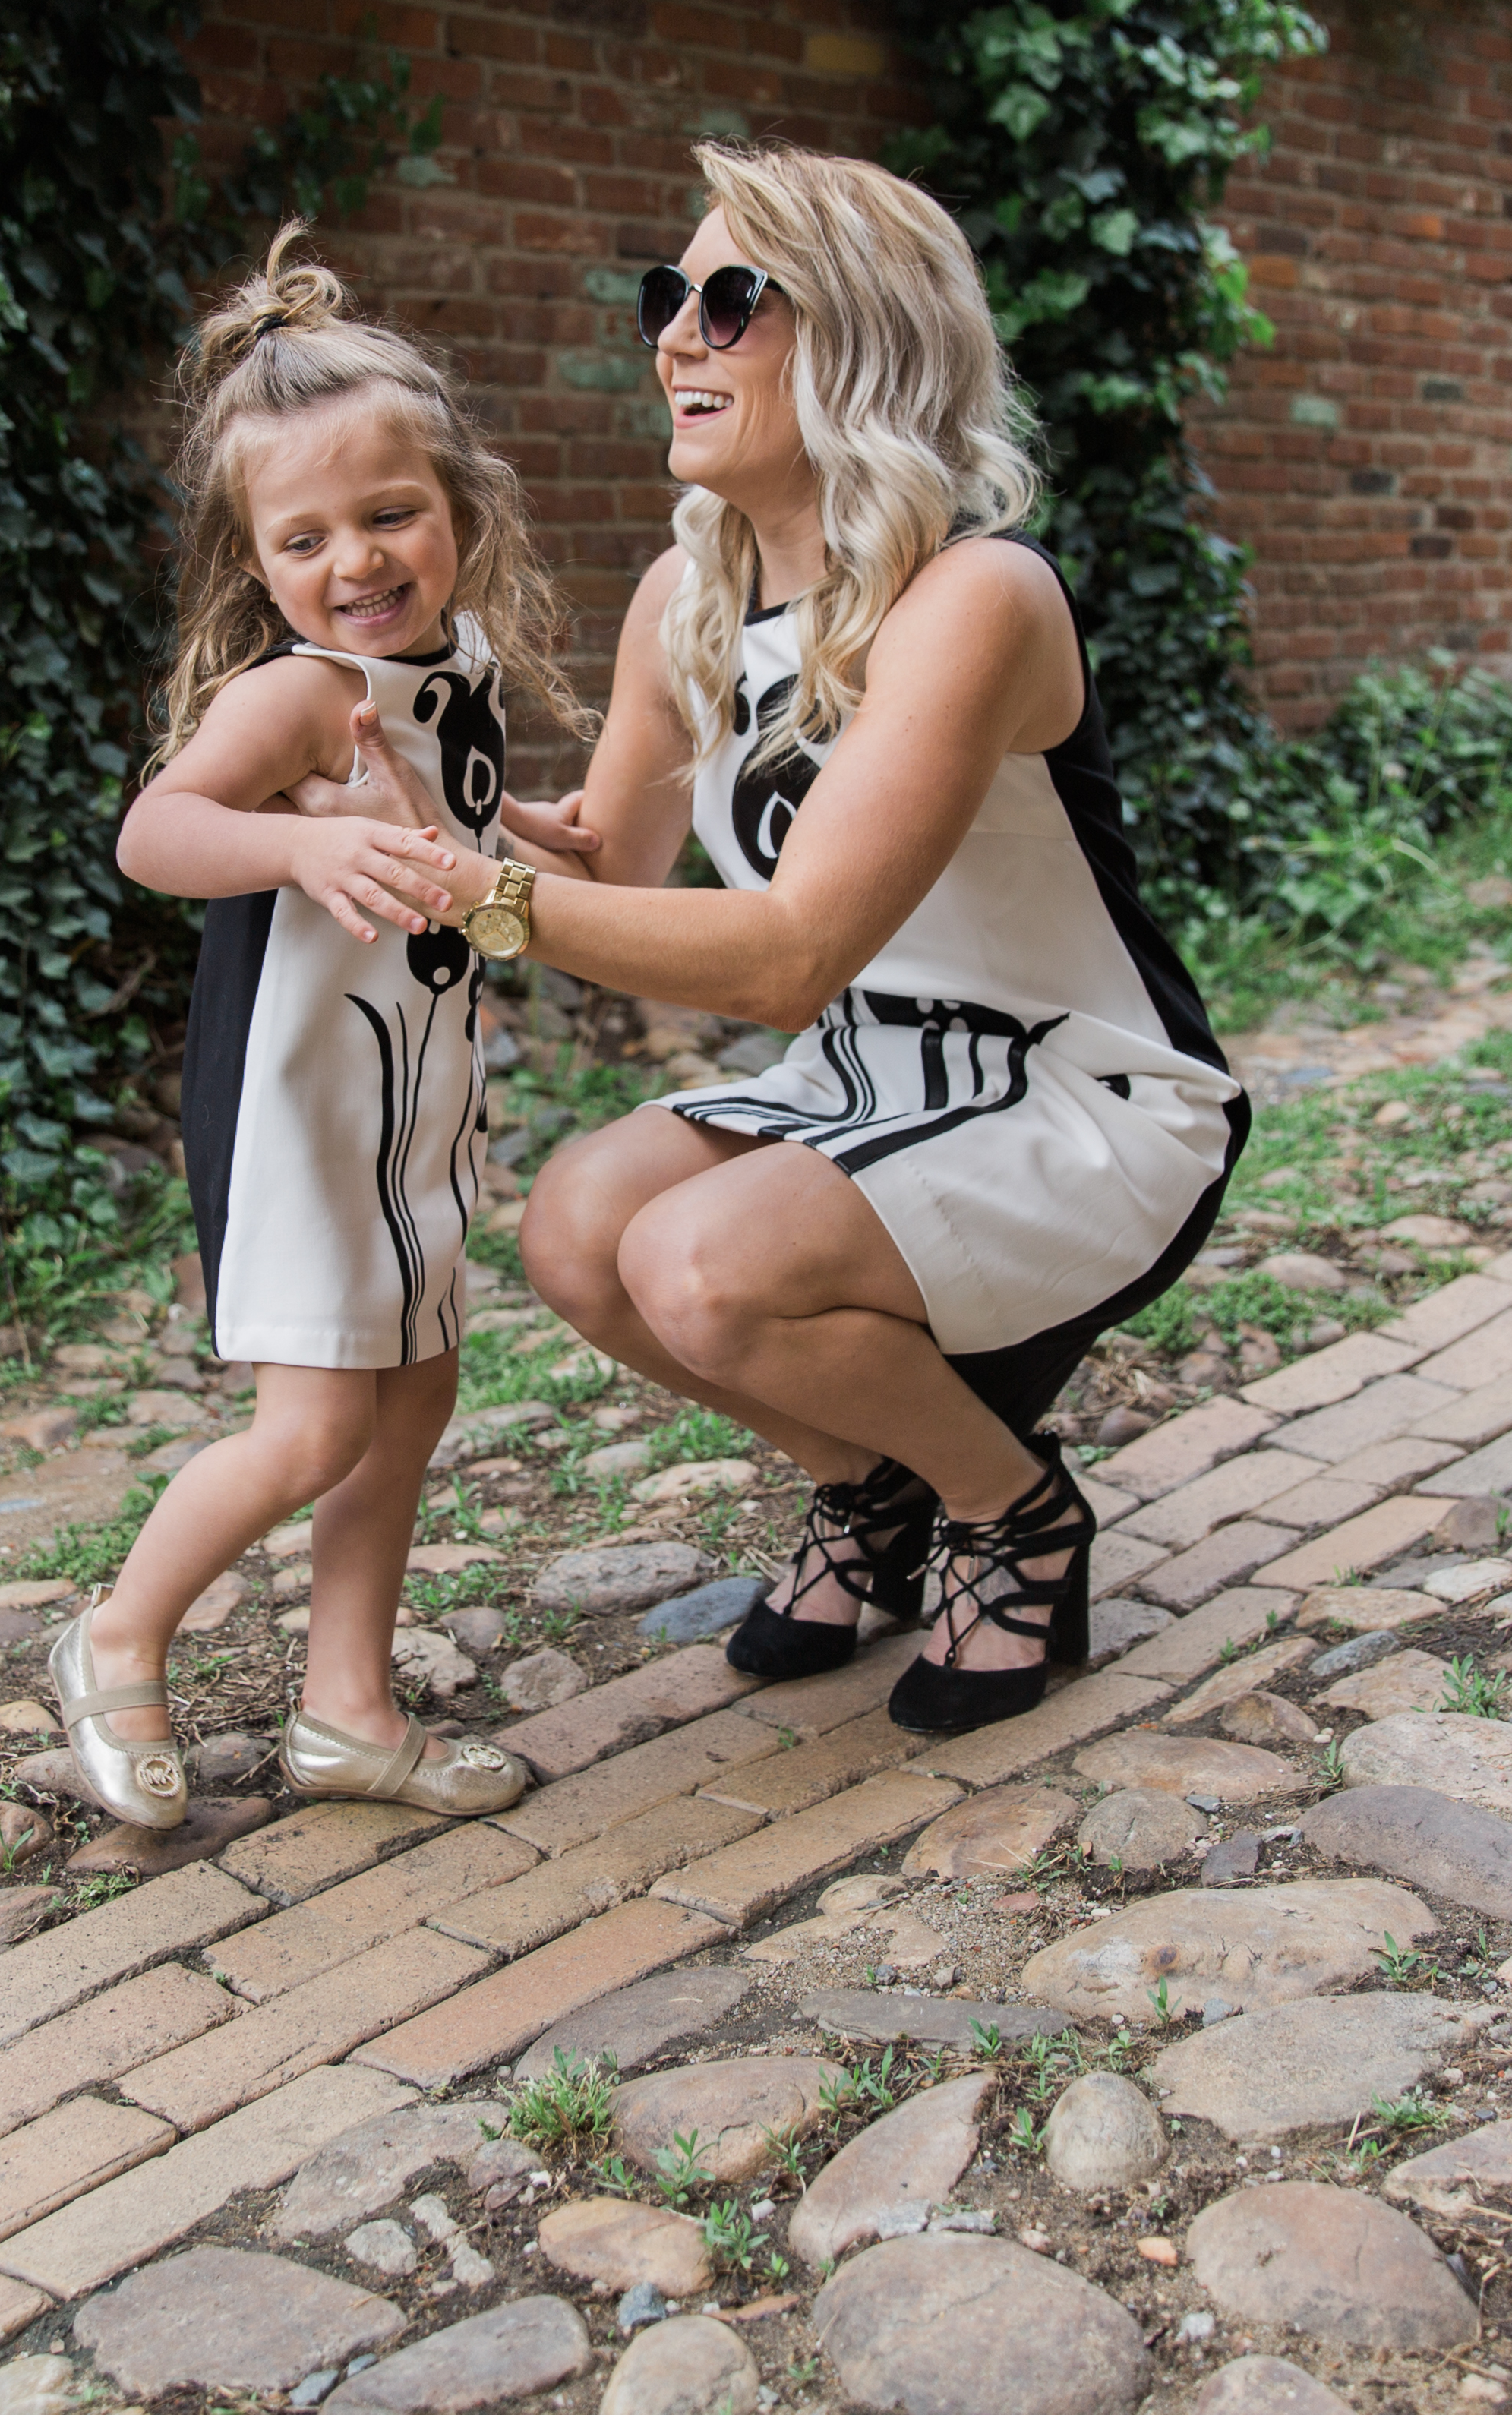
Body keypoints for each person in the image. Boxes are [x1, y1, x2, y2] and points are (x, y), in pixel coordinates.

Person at [447, 140, 1246, 1732]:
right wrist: (405, 790)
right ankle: (875, 1486)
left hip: (1072, 1097)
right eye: (666, 296)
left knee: (698, 1261)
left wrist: (486, 903)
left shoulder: (976, 596)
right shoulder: (691, 593)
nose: (675, 334)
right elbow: (612, 853)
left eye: (732, 298)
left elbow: (787, 952)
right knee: (576, 1227)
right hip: (867, 1079)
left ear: (865, 336)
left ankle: (1012, 1511)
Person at [50, 232, 586, 1829]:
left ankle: (347, 1711)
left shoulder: (456, 669)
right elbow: (156, 834)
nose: (355, 560)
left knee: (413, 1395)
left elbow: (447, 822)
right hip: (295, 1113)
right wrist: (294, 843)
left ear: (461, 511)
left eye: (390, 515)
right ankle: (117, 1636)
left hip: (412, 1106)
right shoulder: (295, 696)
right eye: (306, 538)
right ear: (261, 566)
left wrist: (531, 831)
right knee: (311, 1425)